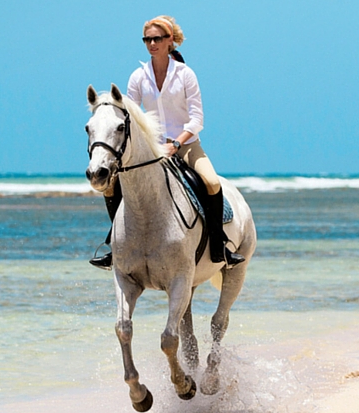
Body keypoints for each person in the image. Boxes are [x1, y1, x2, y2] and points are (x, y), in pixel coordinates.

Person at [90, 15, 245, 270]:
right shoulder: (138, 76)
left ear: (169, 40)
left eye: (157, 39)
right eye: (147, 39)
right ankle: (114, 246)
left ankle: (219, 245)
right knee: (112, 186)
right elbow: (131, 114)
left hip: (186, 146)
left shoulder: (185, 74)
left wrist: (176, 144)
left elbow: (197, 118)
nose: (152, 44)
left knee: (212, 182)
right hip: (152, 150)